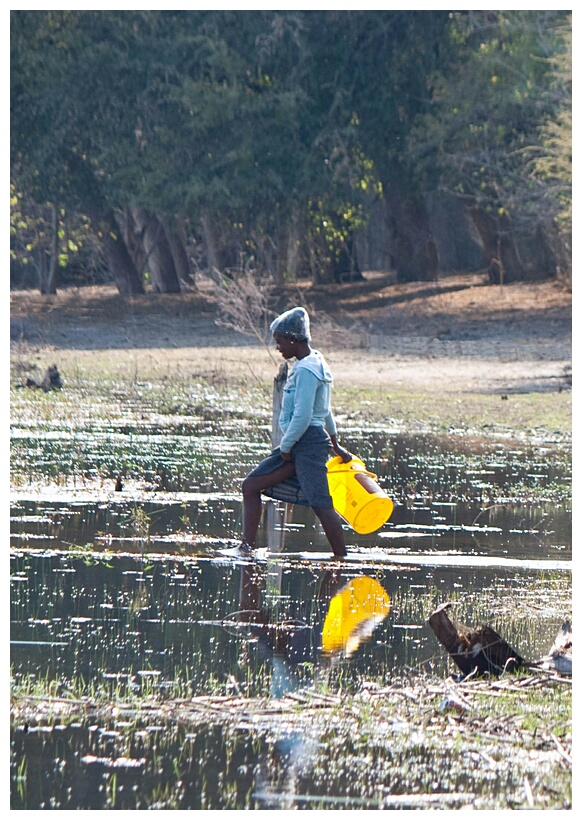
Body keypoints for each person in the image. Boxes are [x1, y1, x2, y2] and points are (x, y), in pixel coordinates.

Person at [240, 306, 352, 558]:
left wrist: (287, 447)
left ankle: (342, 558)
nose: (278, 347)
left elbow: (303, 417)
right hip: (306, 443)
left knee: (321, 503)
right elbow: (324, 410)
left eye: (280, 342)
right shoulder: (316, 362)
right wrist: (334, 443)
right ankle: (245, 549)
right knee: (251, 486)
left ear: (293, 339)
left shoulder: (305, 370)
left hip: (305, 444)